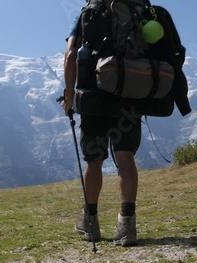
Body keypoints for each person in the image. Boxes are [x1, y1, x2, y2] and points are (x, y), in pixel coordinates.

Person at [61, 13, 141, 247]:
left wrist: (69, 96)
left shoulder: (88, 14)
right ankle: (127, 226)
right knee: (125, 158)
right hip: (129, 98)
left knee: (93, 161)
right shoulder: (133, 10)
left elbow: (70, 56)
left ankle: (90, 221)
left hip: (94, 99)